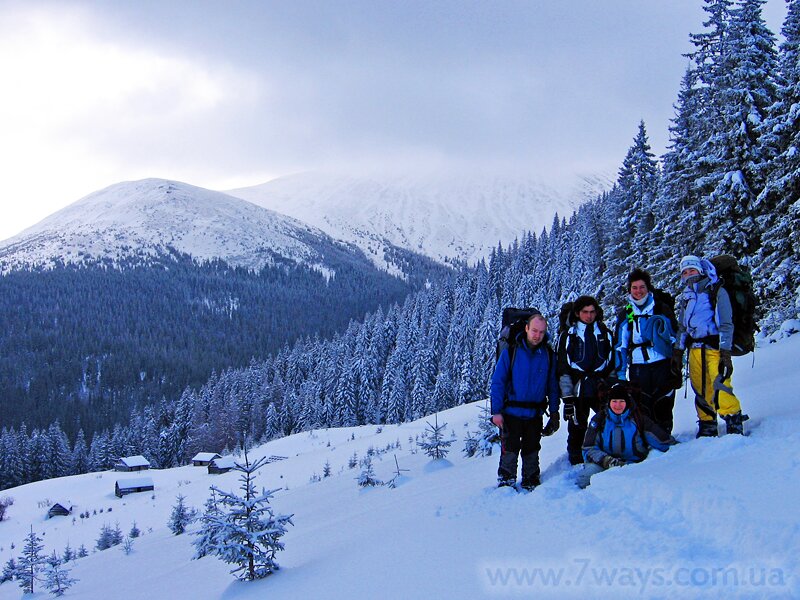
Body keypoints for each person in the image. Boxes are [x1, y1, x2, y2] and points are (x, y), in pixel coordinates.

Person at [677, 255, 748, 436]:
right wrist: (678, 350)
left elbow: (726, 322)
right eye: (684, 272)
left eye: (691, 270)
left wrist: (725, 350)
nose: (688, 274)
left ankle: (733, 418)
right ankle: (707, 422)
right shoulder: (687, 295)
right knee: (700, 388)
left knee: (721, 385)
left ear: (700, 270)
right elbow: (683, 327)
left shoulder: (715, 290)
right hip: (694, 349)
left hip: (714, 347)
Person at [490, 313, 560, 490]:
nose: (537, 335)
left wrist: (554, 413)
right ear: (527, 328)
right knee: (510, 449)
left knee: (532, 449)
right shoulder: (511, 351)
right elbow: (498, 382)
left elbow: (552, 386)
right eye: (534, 330)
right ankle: (506, 481)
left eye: (541, 332)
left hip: (535, 413)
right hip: (511, 412)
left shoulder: (548, 355)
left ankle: (531, 480)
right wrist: (496, 411)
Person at [613, 268, 681, 434]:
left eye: (641, 287)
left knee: (663, 401)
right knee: (642, 404)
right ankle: (648, 437)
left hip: (661, 362)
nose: (638, 291)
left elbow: (673, 334)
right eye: (634, 288)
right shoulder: (628, 313)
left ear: (648, 288)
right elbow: (621, 345)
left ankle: (664, 434)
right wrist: (621, 373)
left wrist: (677, 360)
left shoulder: (659, 308)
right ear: (629, 290)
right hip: (638, 366)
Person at [577, 382, 676, 489]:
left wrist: (684, 451)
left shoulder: (639, 419)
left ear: (627, 402)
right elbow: (588, 448)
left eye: (621, 401)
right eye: (614, 401)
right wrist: (607, 461)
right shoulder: (599, 419)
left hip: (633, 465)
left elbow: (664, 442)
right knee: (585, 479)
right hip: (604, 464)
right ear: (609, 402)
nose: (618, 405)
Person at [557, 295, 614, 465]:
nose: (589, 315)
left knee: (606, 421)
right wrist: (567, 397)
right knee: (577, 427)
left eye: (592, 312)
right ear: (577, 313)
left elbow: (611, 363)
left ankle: (603, 451)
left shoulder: (604, 333)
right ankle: (575, 459)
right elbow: (563, 368)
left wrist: (613, 387)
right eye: (585, 312)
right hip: (578, 389)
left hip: (600, 387)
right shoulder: (569, 335)